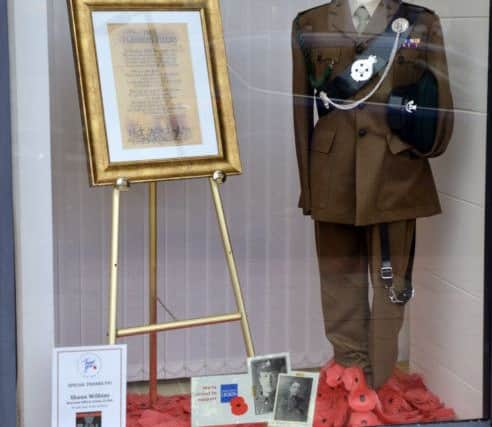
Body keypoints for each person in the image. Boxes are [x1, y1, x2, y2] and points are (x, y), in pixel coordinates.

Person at [292, 0, 454, 388]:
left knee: (391, 286)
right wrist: (309, 185)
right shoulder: (310, 22)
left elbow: (440, 99)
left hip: (395, 173)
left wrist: (426, 151)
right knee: (338, 281)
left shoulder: (420, 22)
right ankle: (350, 375)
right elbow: (301, 110)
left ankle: (377, 382)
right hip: (333, 174)